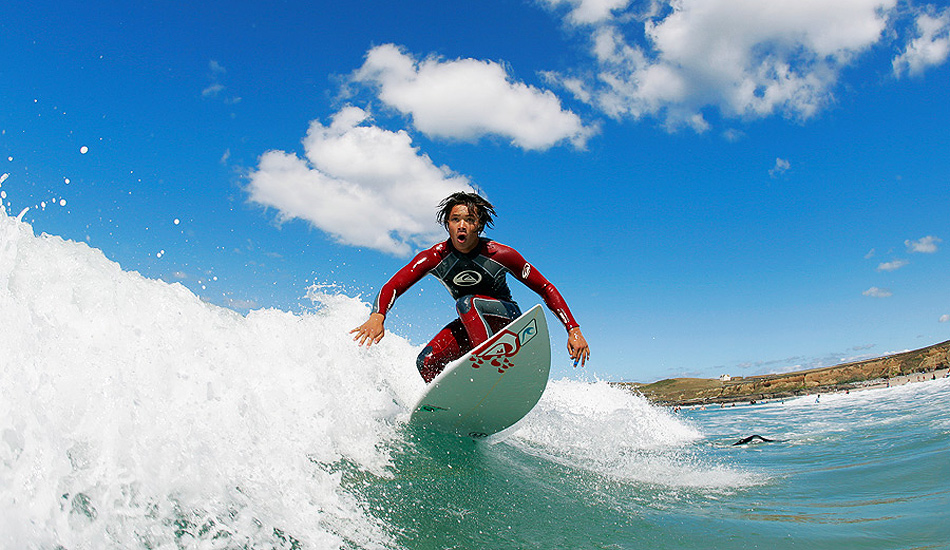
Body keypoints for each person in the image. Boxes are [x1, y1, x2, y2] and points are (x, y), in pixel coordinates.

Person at [351, 192, 590, 383]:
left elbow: (545, 286)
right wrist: (378, 314)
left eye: (470, 220)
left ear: (480, 225)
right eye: (456, 220)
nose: (462, 225)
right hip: (473, 326)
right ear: (448, 224)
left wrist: (573, 329)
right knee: (426, 362)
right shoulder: (435, 257)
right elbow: (394, 284)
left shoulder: (501, 254)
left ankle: (489, 374)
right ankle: (460, 409)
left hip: (507, 321)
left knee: (467, 303)